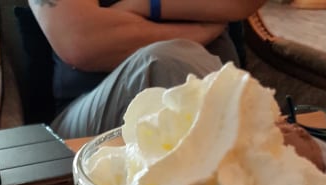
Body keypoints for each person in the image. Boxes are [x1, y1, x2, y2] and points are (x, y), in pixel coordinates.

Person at [28, 0, 267, 138]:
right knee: (167, 62)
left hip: (218, 89)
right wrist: (199, 31)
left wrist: (145, 4)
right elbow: (81, 40)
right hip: (87, 116)